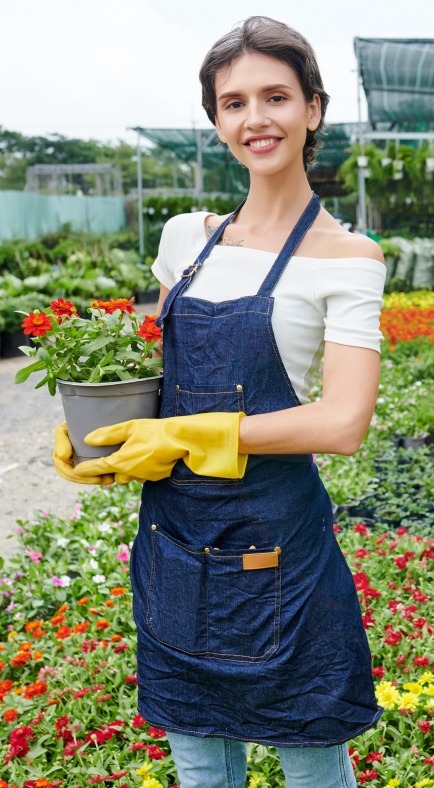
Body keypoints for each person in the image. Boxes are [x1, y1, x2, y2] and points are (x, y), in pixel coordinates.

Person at [54, 16, 385, 788]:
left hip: (280, 546)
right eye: (233, 103)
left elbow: (342, 423)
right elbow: (156, 375)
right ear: (216, 122)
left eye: (275, 96)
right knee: (201, 764)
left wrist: (192, 437)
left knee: (309, 757)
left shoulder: (348, 257)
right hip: (176, 536)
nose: (255, 118)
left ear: (313, 109)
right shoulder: (184, 240)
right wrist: (95, 430)